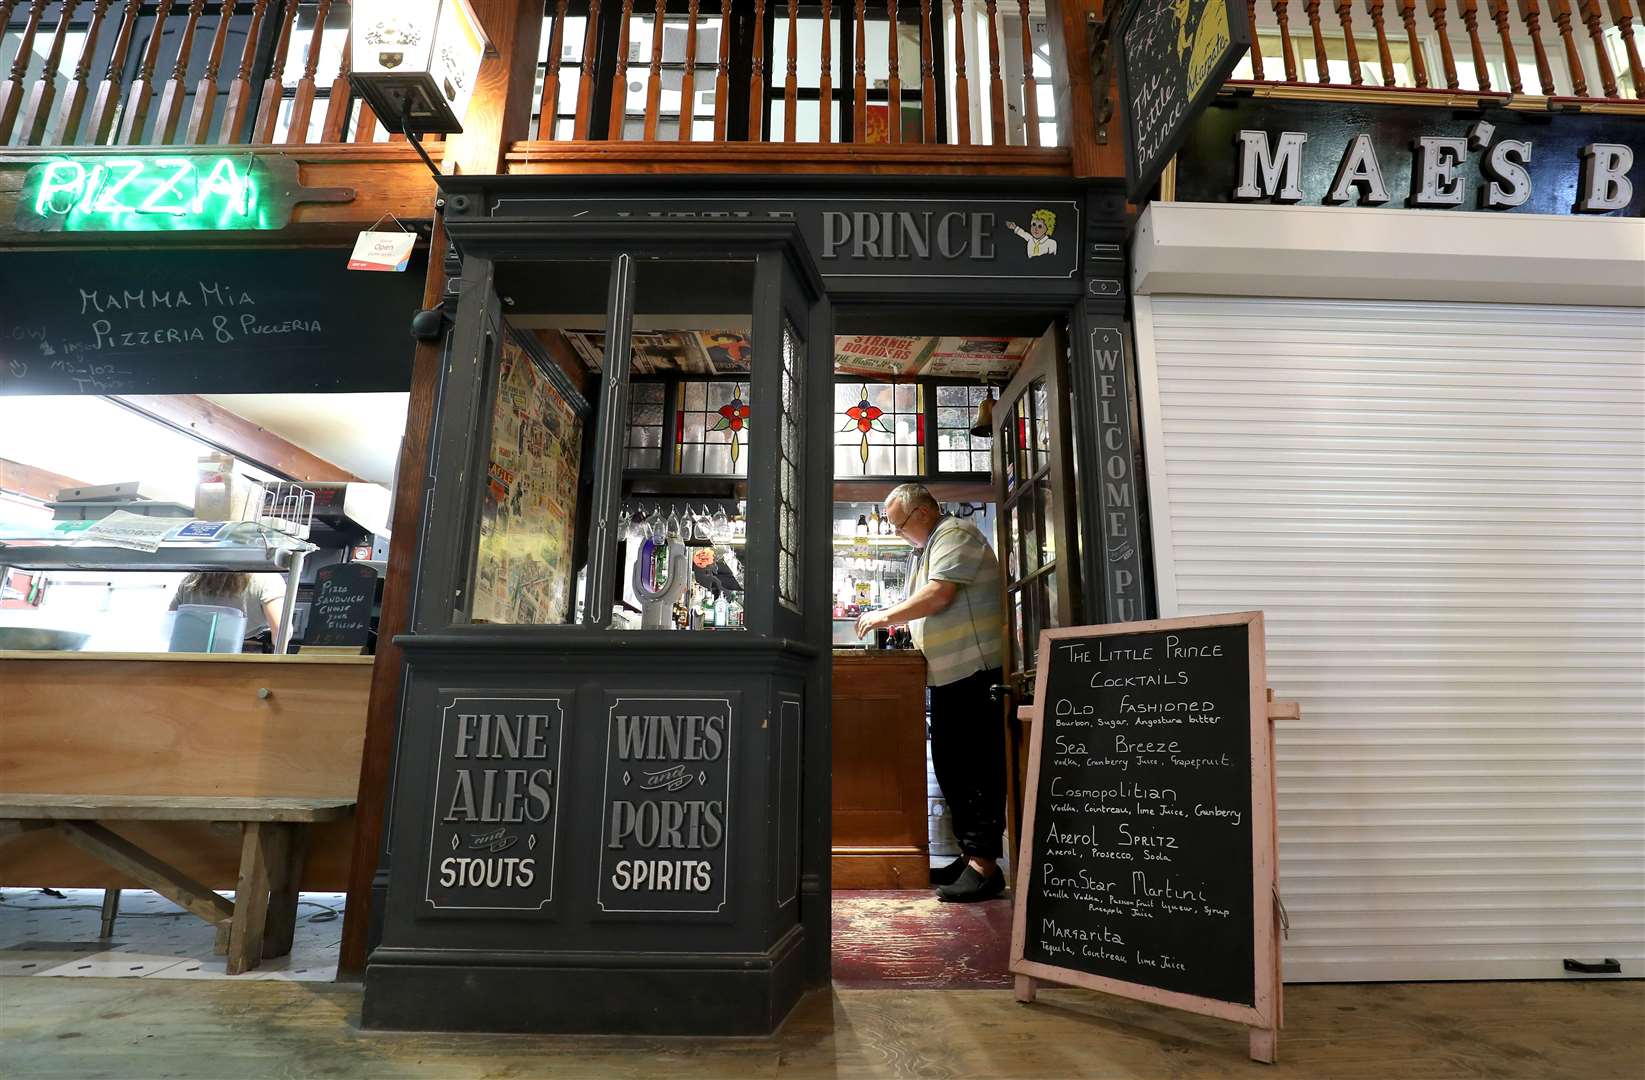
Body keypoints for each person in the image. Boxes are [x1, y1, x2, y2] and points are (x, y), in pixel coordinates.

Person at [857, 483, 1006, 902]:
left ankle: (985, 866)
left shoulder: (955, 533)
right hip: (950, 673)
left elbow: (939, 595)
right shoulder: (931, 545)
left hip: (974, 670)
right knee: (951, 766)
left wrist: (886, 614)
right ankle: (972, 854)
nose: (900, 533)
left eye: (900, 524)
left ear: (921, 513)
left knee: (974, 766)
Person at [168, 572, 287, 649]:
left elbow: (169, 627)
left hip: (194, 656)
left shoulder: (190, 581)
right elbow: (281, 633)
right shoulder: (268, 579)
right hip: (247, 657)